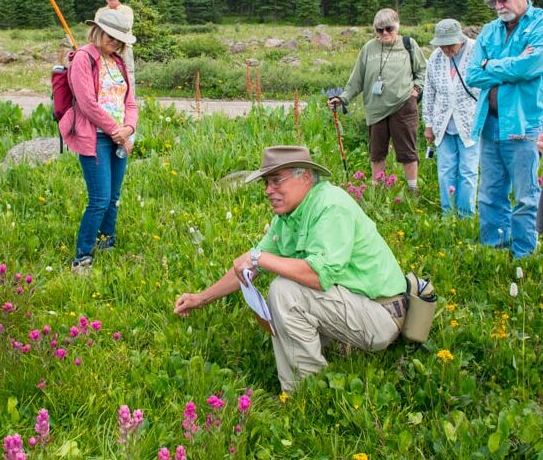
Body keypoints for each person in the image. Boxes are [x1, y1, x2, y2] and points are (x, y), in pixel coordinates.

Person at [174, 146, 410, 393]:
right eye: (266, 183)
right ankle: (317, 368)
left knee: (285, 291)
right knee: (280, 295)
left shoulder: (331, 206)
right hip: (357, 304)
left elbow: (318, 276)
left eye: (277, 181)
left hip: (382, 313)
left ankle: (305, 391)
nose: (268, 190)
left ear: (305, 177)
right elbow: (250, 265)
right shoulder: (288, 217)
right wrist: (200, 298)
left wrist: (260, 258)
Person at [465, 0, 543, 259]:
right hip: (490, 123)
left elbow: (532, 66)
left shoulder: (539, 24)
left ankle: (523, 254)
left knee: (525, 196)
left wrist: (491, 66)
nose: (498, 7)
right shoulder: (489, 31)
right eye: (493, 2)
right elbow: (472, 74)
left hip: (524, 125)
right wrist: (508, 66)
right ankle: (494, 250)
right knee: (489, 194)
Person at [59, 8, 138, 274]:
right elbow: (87, 103)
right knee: (100, 199)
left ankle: (107, 243)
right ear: (98, 31)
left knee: (114, 197)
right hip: (95, 138)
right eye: (111, 36)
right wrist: (115, 129)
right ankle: (82, 256)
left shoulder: (118, 62)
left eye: (120, 39)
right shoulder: (84, 58)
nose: (115, 42)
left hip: (119, 137)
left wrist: (128, 128)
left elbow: (130, 101)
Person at [328, 9, 426, 191]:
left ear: (397, 26)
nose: (385, 33)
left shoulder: (408, 44)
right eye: (379, 30)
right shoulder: (368, 49)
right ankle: (378, 192)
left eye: (389, 28)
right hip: (375, 109)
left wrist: (417, 89)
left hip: (403, 105)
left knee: (407, 152)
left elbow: (422, 70)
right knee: (377, 153)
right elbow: (356, 79)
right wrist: (342, 99)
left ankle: (413, 191)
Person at [422, 19, 480, 217]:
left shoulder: (476, 51)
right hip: (443, 124)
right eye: (442, 45)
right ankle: (448, 214)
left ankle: (466, 215)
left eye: (450, 45)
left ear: (460, 39)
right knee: (446, 170)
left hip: (470, 124)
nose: (446, 49)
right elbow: (429, 92)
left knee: (468, 171)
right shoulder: (436, 58)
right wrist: (428, 124)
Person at [98, 0, 135, 88]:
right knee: (106, 73)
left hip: (124, 47)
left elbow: (126, 27)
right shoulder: (101, 11)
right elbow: (98, 28)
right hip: (105, 48)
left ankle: (130, 101)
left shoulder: (126, 10)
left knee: (128, 73)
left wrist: (108, 25)